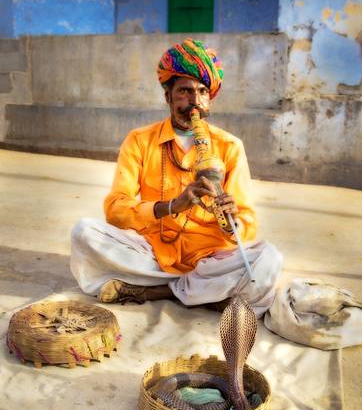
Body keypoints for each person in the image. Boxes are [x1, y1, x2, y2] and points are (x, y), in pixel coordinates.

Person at [70, 39, 282, 316]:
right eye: (184, 91)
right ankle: (205, 293)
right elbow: (115, 209)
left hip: (209, 257)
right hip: (152, 253)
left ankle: (160, 291)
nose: (194, 101)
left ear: (210, 98)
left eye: (202, 91)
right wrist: (171, 206)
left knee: (268, 260)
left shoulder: (229, 146)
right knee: (85, 233)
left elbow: (248, 223)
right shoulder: (139, 140)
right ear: (168, 96)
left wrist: (233, 223)